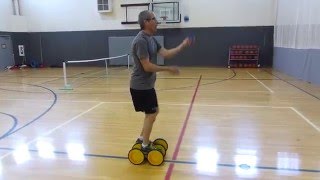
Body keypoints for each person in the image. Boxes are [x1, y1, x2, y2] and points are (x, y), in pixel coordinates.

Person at [130, 10, 193, 153]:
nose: (157, 21)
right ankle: (145, 146)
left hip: (147, 85)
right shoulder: (141, 40)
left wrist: (182, 45)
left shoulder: (151, 39)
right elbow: (147, 66)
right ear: (146, 22)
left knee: (152, 112)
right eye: (154, 19)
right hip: (140, 86)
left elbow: (165, 53)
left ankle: (142, 138)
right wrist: (168, 69)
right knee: (151, 114)